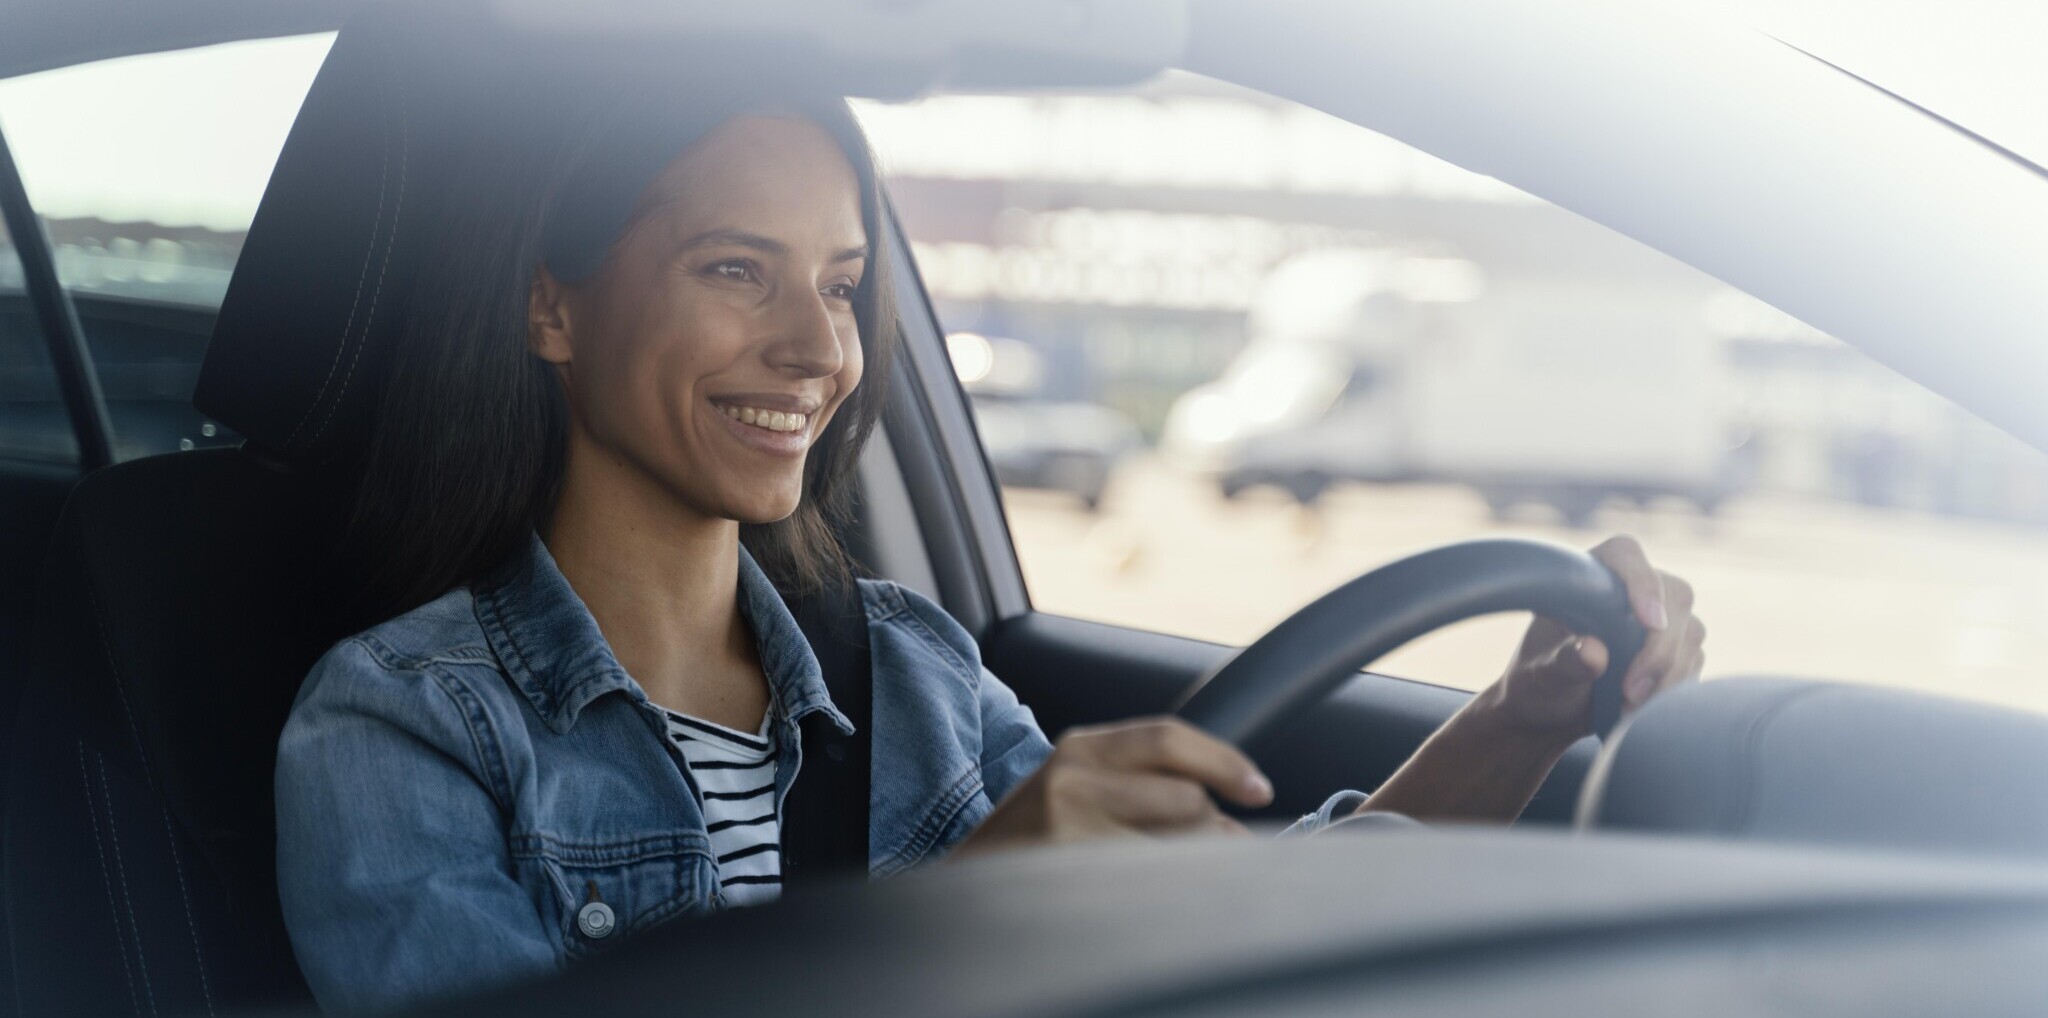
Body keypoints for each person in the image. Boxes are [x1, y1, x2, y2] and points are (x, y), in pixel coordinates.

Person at [273, 89, 1706, 1014]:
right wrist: (951, 919)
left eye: (841, 285)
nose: (815, 344)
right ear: (552, 310)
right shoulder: (401, 727)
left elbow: (1256, 920)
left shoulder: (911, 664)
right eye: (734, 269)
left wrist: (1520, 723)